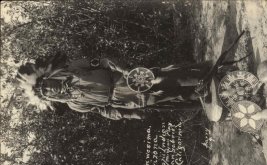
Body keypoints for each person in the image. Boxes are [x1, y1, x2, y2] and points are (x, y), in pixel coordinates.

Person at [17, 31, 246, 120]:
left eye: (46, 84)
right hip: (126, 101)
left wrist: (123, 69)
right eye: (46, 93)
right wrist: (126, 115)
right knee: (175, 97)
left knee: (168, 79)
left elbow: (103, 61)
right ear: (49, 98)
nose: (49, 89)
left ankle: (220, 77)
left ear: (47, 77)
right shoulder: (75, 105)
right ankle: (226, 99)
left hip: (126, 79)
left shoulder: (73, 69)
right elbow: (102, 109)